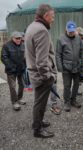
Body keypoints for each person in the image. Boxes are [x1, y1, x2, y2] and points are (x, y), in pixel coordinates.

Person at [25, 4, 57, 138]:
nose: (53, 19)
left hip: (34, 73)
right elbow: (41, 61)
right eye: (52, 16)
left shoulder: (32, 26)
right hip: (41, 76)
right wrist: (48, 77)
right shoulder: (42, 30)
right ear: (45, 16)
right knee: (40, 103)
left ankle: (37, 123)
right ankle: (37, 130)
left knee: (39, 101)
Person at [56, 21, 83, 112]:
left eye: (73, 31)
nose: (71, 33)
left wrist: (81, 62)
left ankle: (73, 100)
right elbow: (58, 54)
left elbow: (82, 52)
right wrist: (60, 67)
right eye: (70, 31)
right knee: (67, 86)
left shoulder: (78, 39)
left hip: (76, 67)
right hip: (66, 68)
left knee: (76, 84)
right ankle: (66, 102)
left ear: (75, 30)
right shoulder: (61, 39)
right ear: (66, 29)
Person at [1, 31, 26, 111]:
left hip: (21, 69)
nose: (19, 40)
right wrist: (11, 67)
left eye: (20, 38)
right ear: (12, 38)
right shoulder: (6, 45)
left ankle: (20, 98)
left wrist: (25, 65)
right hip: (11, 70)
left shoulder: (23, 45)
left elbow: (25, 56)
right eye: (17, 38)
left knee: (22, 84)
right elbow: (4, 57)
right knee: (12, 86)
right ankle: (14, 102)